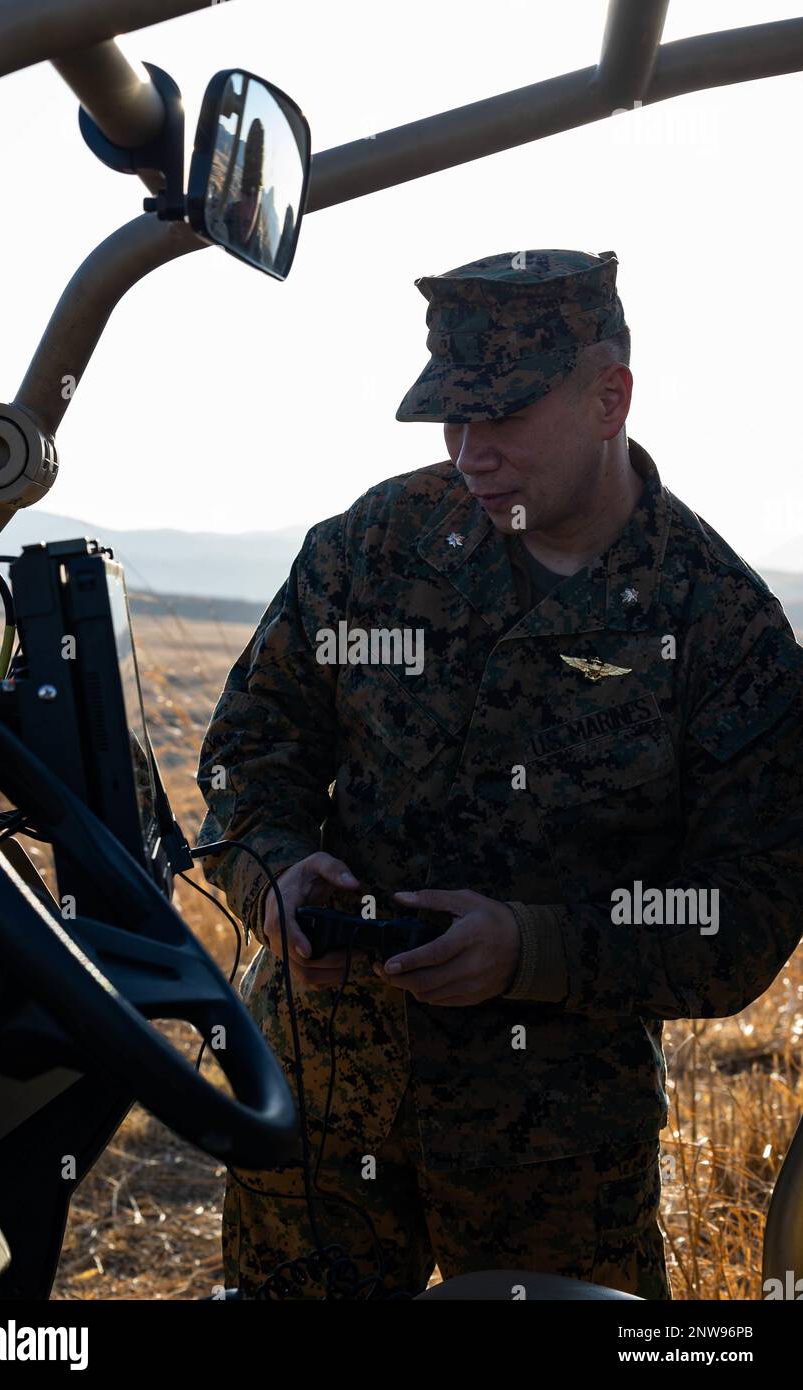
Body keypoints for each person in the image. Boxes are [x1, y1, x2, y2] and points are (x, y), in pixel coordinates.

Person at [196, 249, 803, 1300]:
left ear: (606, 396)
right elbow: (251, 752)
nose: (470, 453)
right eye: (449, 419)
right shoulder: (372, 549)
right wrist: (279, 878)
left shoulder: (718, 627)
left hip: (556, 1158)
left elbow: (743, 911)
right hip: (322, 1109)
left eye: (504, 417)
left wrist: (534, 948)